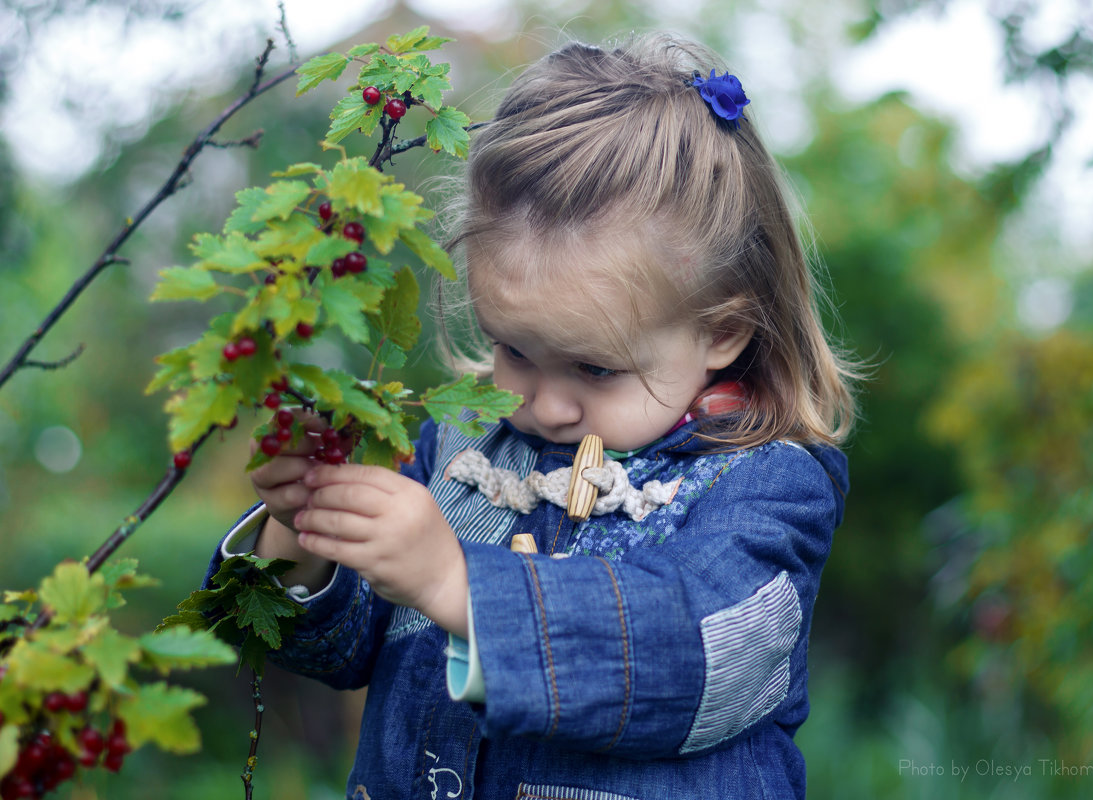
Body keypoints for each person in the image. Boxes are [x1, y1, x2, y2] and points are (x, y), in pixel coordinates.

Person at [208, 31, 858, 800]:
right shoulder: (460, 453)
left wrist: (459, 583)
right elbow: (340, 649)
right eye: (512, 350)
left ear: (722, 332)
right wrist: (303, 531)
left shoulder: (763, 486)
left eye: (595, 368)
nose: (544, 404)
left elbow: (694, 654)